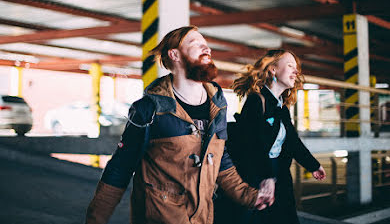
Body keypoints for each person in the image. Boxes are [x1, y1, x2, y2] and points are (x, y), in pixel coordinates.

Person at [85, 26, 275, 224]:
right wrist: (95, 219)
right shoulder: (149, 109)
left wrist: (248, 196)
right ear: (174, 54)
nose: (207, 48)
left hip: (202, 218)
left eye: (207, 45)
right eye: (196, 44)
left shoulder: (217, 104)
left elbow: (220, 159)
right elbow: (120, 168)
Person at [214, 49, 326, 224]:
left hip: (278, 177)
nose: (296, 71)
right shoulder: (256, 101)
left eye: (296, 68)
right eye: (290, 66)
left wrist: (313, 165)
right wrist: (266, 177)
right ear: (273, 69)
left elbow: (292, 141)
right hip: (255, 176)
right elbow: (253, 143)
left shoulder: (281, 106)